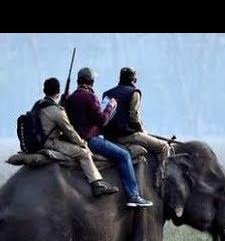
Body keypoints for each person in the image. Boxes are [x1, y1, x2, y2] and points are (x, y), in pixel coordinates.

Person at [66, 68, 153, 207]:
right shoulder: (90, 96)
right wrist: (110, 106)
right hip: (91, 140)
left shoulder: (69, 98)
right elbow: (101, 120)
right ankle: (134, 195)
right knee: (124, 155)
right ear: (92, 81)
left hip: (74, 140)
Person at [38, 77, 119, 197]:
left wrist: (63, 102)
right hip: (51, 142)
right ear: (58, 92)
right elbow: (69, 131)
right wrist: (82, 143)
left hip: (41, 140)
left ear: (44, 90)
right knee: (83, 154)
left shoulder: (39, 105)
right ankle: (97, 184)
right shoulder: (57, 111)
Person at [102, 67, 172, 160]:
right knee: (164, 146)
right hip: (127, 136)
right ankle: (162, 174)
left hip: (108, 137)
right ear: (134, 80)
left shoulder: (107, 93)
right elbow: (134, 117)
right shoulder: (134, 93)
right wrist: (143, 132)